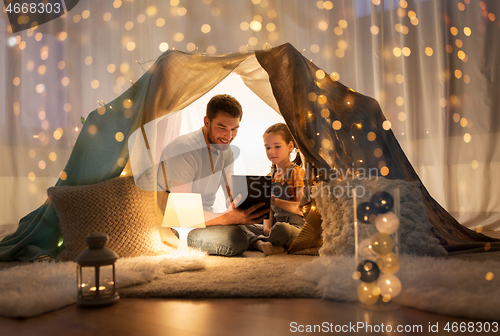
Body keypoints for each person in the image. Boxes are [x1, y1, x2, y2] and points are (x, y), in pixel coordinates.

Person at [157, 94, 268, 256]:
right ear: (206, 122)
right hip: (179, 225)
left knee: (270, 228)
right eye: (222, 128)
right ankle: (255, 240)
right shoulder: (183, 150)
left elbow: (232, 194)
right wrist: (229, 219)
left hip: (210, 220)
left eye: (234, 129)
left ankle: (262, 236)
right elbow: (184, 215)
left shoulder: (227, 151)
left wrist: (253, 205)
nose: (228, 137)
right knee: (234, 239)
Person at [241, 123, 305, 255]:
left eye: (277, 146)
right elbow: (267, 210)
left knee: (282, 230)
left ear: (290, 146)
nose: (271, 152)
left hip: (295, 227)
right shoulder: (270, 177)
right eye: (267, 147)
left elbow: (302, 208)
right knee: (239, 224)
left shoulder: (296, 172)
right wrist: (266, 229)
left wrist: (276, 201)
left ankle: (259, 242)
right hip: (275, 227)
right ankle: (264, 243)